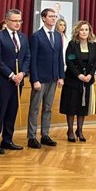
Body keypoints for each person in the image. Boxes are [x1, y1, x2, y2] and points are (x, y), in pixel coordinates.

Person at [0, 8, 30, 155]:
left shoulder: (23, 38)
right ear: (7, 21)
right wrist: (12, 75)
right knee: (0, 112)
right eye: (15, 21)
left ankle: (7, 139)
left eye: (20, 21)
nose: (18, 23)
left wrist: (22, 73)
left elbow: (27, 57)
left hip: (19, 81)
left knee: (12, 111)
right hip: (3, 81)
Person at [27, 8, 64, 149]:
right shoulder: (36, 36)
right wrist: (34, 79)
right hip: (40, 79)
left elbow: (59, 57)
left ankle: (45, 135)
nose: (53, 19)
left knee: (48, 108)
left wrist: (61, 76)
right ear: (43, 18)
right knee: (35, 108)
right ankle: (31, 137)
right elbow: (33, 60)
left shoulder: (57, 35)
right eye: (50, 16)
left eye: (55, 16)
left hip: (53, 78)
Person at [60, 20, 96, 142]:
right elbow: (69, 61)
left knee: (82, 107)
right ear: (77, 31)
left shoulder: (93, 45)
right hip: (73, 81)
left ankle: (80, 130)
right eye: (82, 29)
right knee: (71, 107)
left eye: (86, 30)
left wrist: (90, 75)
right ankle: (70, 130)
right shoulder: (72, 45)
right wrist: (78, 75)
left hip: (87, 81)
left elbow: (95, 61)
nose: (84, 32)